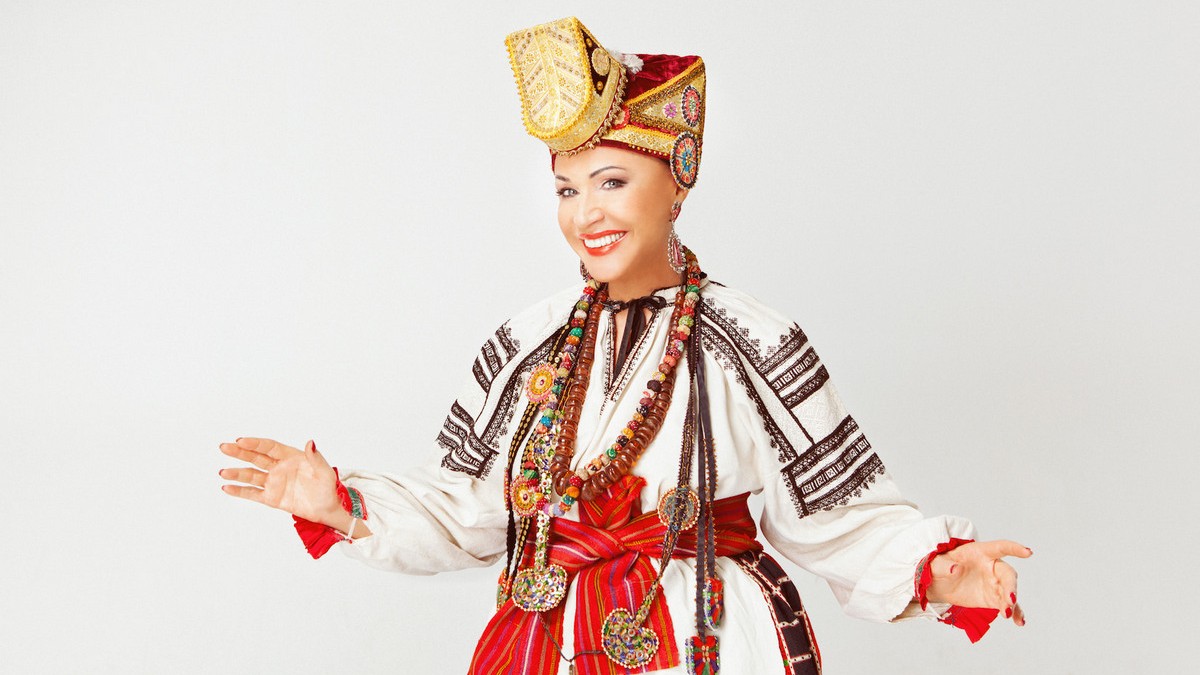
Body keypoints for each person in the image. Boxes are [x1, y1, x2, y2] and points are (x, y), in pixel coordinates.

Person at [218, 16, 1029, 674]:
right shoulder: (528, 343)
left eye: (612, 182)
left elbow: (840, 518)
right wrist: (341, 503)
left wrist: (938, 565)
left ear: (676, 181)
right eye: (567, 189)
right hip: (548, 636)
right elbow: (464, 511)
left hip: (702, 636)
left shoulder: (753, 339)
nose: (586, 214)